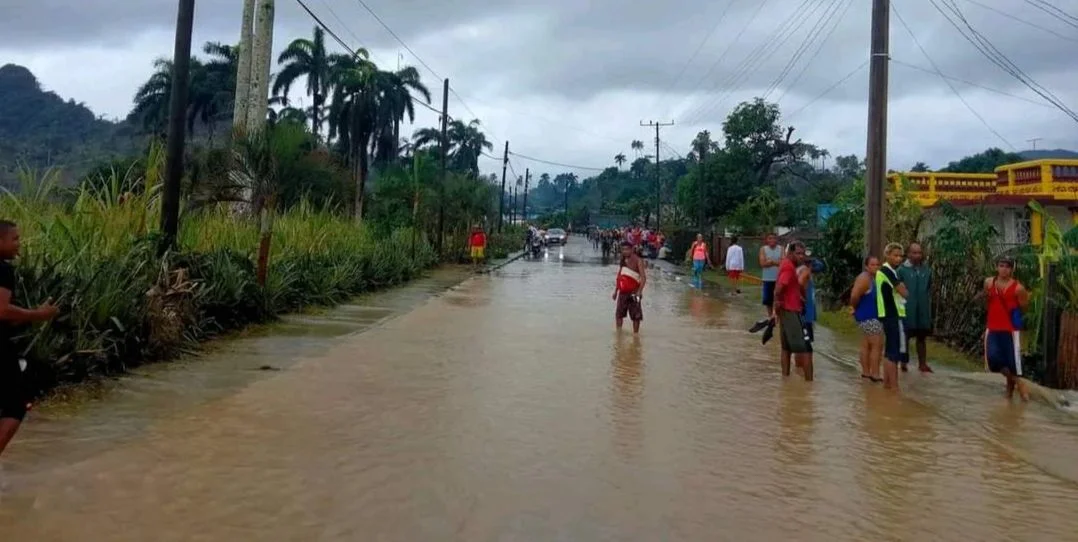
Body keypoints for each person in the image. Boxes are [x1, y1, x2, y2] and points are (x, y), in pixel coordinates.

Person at [0, 220, 59, 459]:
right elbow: (1, 310)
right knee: (16, 406)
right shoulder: (2, 269)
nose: (19, 244)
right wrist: (39, 314)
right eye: (14, 239)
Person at [984, 256, 1030, 401]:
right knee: (993, 360)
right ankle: (1019, 383)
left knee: (1012, 363)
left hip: (1010, 331)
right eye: (1001, 265)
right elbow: (988, 300)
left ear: (1011, 269)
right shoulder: (989, 282)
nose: (1004, 269)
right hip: (992, 328)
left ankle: (1010, 392)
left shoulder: (1018, 288)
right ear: (997, 267)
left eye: (1007, 266)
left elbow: (1024, 307)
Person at [773, 242, 812, 380]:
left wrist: (777, 307)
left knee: (786, 348)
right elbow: (779, 288)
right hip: (792, 311)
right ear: (790, 253)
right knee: (806, 349)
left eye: (803, 253)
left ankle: (785, 379)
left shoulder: (785, 264)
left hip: (785, 310)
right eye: (798, 253)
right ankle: (809, 385)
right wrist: (778, 302)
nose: (801, 257)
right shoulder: (789, 268)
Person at [876, 243, 908, 390]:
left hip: (888, 315)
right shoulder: (886, 271)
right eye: (895, 255)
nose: (898, 259)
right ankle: (894, 387)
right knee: (893, 353)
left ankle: (888, 386)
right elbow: (904, 292)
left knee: (890, 351)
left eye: (900, 256)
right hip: (892, 315)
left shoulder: (889, 272)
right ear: (887, 255)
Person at [899, 242, 934, 373]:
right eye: (914, 253)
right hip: (907, 308)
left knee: (921, 338)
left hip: (923, 310)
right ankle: (903, 362)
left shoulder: (927, 270)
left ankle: (922, 364)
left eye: (919, 252)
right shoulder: (902, 270)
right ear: (908, 254)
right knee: (905, 336)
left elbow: (929, 288)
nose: (917, 255)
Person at [850, 255, 883, 382]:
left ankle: (866, 373)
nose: (875, 267)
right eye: (872, 265)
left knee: (866, 344)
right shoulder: (864, 278)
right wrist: (854, 307)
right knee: (877, 345)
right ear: (866, 266)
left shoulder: (872, 278)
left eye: (877, 265)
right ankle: (874, 373)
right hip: (868, 317)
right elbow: (854, 295)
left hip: (867, 316)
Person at [751, 234, 784, 331]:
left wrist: (771, 262)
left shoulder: (781, 249)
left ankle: (777, 318)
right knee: (768, 300)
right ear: (767, 240)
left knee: (778, 299)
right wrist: (775, 262)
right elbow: (762, 263)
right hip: (767, 278)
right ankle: (771, 318)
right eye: (770, 238)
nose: (772, 240)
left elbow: (783, 263)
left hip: (779, 279)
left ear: (777, 239)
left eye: (774, 238)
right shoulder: (763, 249)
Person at [612, 241, 647, 333]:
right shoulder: (623, 260)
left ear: (632, 249)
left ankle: (636, 335)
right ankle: (619, 333)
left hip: (634, 292)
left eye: (627, 249)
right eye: (623, 249)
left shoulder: (638, 261)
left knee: (636, 316)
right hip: (623, 292)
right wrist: (616, 291)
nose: (625, 251)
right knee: (618, 314)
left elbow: (643, 277)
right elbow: (620, 275)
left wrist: (640, 291)